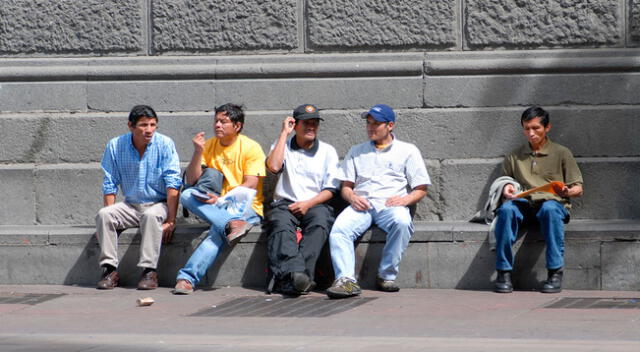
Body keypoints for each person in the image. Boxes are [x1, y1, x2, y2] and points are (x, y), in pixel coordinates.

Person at [326, 104, 430, 299]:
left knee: (402, 222)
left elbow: (421, 188)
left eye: (376, 124)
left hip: (391, 206)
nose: (370, 128)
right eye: (368, 123)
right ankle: (346, 280)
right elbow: (346, 186)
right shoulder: (357, 151)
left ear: (390, 125)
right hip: (361, 206)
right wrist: (352, 198)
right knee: (339, 230)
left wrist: (405, 199)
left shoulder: (408, 151)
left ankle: (386, 276)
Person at [173, 103, 266, 294]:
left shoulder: (251, 147)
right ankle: (232, 224)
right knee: (187, 194)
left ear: (237, 126)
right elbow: (191, 180)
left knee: (218, 231)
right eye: (216, 121)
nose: (217, 125)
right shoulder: (209, 146)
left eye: (223, 122)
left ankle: (187, 278)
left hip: (246, 207)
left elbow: (251, 184)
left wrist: (222, 200)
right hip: (218, 207)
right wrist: (198, 152)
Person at [493, 106, 583, 294]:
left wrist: (566, 191)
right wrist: (507, 189)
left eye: (536, 128)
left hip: (552, 204)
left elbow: (579, 189)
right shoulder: (514, 156)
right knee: (506, 210)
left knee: (550, 209)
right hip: (524, 204)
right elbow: (505, 181)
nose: (531, 133)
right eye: (527, 129)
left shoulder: (562, 153)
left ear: (547, 128)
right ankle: (503, 273)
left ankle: (555, 272)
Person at [95, 105, 181, 290]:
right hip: (130, 205)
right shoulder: (115, 145)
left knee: (151, 216)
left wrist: (172, 220)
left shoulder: (165, 144)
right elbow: (110, 182)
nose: (149, 130)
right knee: (104, 214)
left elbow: (173, 183)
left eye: (152, 125)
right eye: (143, 125)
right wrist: (110, 223)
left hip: (158, 204)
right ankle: (110, 270)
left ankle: (149, 272)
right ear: (131, 126)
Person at [265, 104, 340, 295]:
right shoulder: (281, 145)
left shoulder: (327, 151)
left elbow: (331, 189)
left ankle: (295, 278)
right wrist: (284, 134)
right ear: (295, 125)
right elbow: (273, 167)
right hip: (285, 203)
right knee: (280, 226)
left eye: (315, 123)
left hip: (315, 202)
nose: (311, 127)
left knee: (321, 223)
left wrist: (308, 204)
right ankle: (301, 276)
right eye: (306, 123)